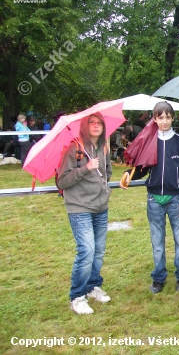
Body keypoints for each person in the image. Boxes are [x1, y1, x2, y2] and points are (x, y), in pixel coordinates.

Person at [120, 102, 179, 294]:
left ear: (173, 118)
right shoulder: (148, 141)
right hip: (154, 199)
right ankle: (159, 277)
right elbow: (142, 168)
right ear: (154, 119)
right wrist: (130, 174)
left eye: (168, 117)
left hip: (177, 199)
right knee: (157, 242)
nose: (164, 121)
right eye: (160, 117)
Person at [57, 112, 113, 315]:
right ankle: (77, 296)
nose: (96, 126)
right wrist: (86, 168)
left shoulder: (104, 147)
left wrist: (105, 188)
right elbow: (62, 181)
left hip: (101, 207)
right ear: (84, 125)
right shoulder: (74, 148)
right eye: (92, 122)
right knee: (87, 250)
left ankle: (93, 286)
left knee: (98, 251)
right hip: (79, 208)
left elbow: (107, 172)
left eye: (99, 122)